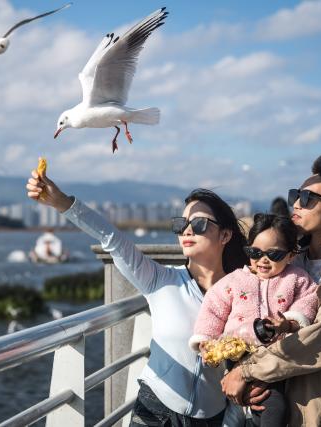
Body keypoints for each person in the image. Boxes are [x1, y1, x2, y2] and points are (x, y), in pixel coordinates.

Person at [26, 169, 258, 426]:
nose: (187, 231)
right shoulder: (160, 279)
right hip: (155, 412)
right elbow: (112, 239)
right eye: (180, 225)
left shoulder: (242, 290)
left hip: (212, 417)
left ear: (225, 235)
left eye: (199, 224)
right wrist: (61, 202)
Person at [221, 155, 321, 426]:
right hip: (282, 406)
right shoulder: (287, 261)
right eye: (295, 195)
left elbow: (317, 339)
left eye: (308, 198)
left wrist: (247, 372)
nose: (296, 203)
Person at [190, 213, 318, 427]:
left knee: (274, 408)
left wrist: (289, 322)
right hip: (237, 353)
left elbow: (309, 300)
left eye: (274, 255)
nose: (263, 261)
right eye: (255, 252)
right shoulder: (233, 281)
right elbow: (212, 309)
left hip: (274, 361)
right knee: (234, 414)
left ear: (291, 255)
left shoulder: (297, 278)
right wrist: (205, 340)